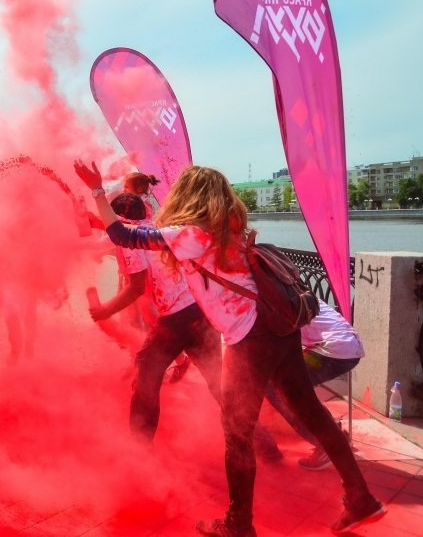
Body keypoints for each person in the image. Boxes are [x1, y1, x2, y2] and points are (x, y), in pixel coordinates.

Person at [75, 161, 385, 537]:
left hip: (249, 339)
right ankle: (360, 496)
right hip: (278, 331)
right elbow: (136, 231)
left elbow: (125, 236)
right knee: (312, 412)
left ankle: (239, 524)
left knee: (236, 430)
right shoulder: (230, 232)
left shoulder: (191, 235)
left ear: (187, 197)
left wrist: (94, 189)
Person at [90, 194, 282, 460]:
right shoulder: (155, 227)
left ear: (118, 215)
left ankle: (138, 453)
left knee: (146, 376)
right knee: (219, 385)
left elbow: (135, 287)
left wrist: (103, 311)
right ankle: (265, 445)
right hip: (200, 314)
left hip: (176, 320)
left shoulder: (131, 241)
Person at [264, 301, 365, 470]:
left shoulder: (275, 299)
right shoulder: (290, 291)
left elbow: (279, 344)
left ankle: (326, 444)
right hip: (343, 347)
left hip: (333, 350)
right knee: (292, 388)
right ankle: (334, 434)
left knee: (282, 389)